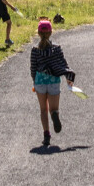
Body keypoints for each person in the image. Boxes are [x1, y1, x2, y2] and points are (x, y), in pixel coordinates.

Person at [29, 17, 75, 148]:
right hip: (54, 80)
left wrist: (34, 81)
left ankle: (46, 135)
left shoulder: (35, 50)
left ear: (38, 33)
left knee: (43, 110)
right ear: (51, 32)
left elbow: (33, 68)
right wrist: (68, 76)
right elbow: (63, 64)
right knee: (53, 108)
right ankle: (55, 115)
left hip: (40, 81)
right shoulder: (56, 48)